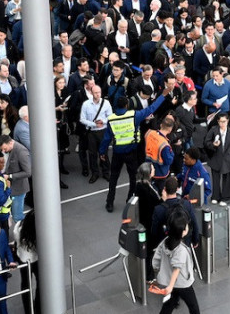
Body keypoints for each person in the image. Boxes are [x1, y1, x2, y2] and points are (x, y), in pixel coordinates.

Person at [99, 84, 169, 212]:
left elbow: (106, 138)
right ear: (127, 105)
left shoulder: (111, 119)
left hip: (117, 152)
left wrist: (102, 152)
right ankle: (130, 200)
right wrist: (163, 95)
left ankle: (109, 202)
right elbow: (152, 108)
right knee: (133, 178)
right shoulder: (134, 115)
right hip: (131, 152)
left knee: (113, 178)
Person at [151, 211, 201, 314]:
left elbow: (156, 259)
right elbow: (177, 269)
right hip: (182, 283)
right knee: (193, 307)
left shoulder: (165, 242)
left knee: (169, 304)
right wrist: (170, 286)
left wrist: (159, 273)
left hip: (170, 281)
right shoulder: (180, 250)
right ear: (183, 231)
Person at [79, 85, 112, 183]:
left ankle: (106, 172)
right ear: (91, 93)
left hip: (103, 131)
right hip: (91, 132)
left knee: (104, 152)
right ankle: (95, 173)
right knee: (92, 153)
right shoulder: (86, 104)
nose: (98, 94)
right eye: (96, 93)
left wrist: (103, 121)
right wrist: (94, 124)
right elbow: (82, 119)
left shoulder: (106, 103)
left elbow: (110, 116)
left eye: (99, 92)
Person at [203, 113, 230, 205]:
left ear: (228, 121)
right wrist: (213, 145)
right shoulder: (213, 130)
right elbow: (206, 142)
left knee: (227, 179)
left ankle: (227, 197)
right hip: (215, 158)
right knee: (215, 178)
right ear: (218, 122)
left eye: (224, 121)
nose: (222, 124)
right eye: (220, 122)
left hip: (227, 160)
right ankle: (216, 196)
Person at [0, 135, 31, 225]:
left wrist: (9, 176)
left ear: (10, 142)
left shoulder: (21, 152)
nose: (3, 151)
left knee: (17, 216)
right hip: (10, 188)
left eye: (5, 148)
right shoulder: (9, 149)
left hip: (18, 189)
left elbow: (28, 172)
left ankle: (22, 231)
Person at [12, 210, 39, 314]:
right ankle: (38, 306)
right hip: (36, 259)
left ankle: (28, 309)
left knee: (25, 284)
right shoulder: (37, 232)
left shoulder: (19, 226)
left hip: (23, 259)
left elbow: (16, 241)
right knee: (40, 282)